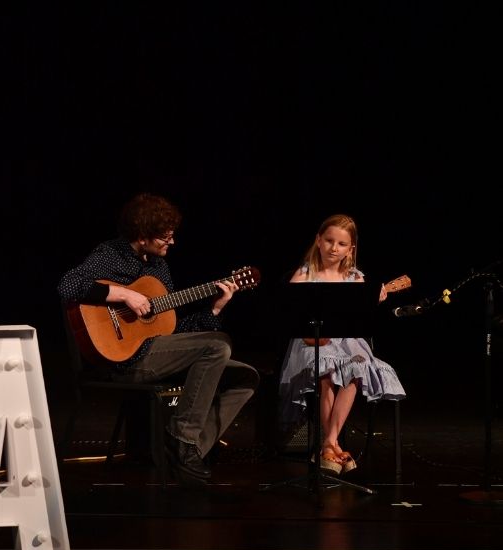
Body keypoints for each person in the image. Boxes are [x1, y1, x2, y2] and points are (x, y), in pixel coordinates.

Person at [57, 193, 260, 487]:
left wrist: (216, 307)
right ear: (142, 237)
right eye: (165, 238)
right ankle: (181, 440)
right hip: (123, 360)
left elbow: (172, 329)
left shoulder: (157, 269)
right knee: (217, 345)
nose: (172, 243)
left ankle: (186, 448)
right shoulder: (110, 254)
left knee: (246, 377)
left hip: (154, 351)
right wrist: (125, 294)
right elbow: (69, 285)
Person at [278, 214, 406, 475]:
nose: (333, 248)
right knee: (325, 372)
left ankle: (328, 443)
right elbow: (290, 309)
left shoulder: (355, 277)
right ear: (318, 240)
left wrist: (372, 301)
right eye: (328, 241)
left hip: (347, 342)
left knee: (355, 369)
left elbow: (359, 320)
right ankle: (332, 445)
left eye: (341, 244)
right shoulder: (305, 274)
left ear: (351, 249)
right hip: (311, 340)